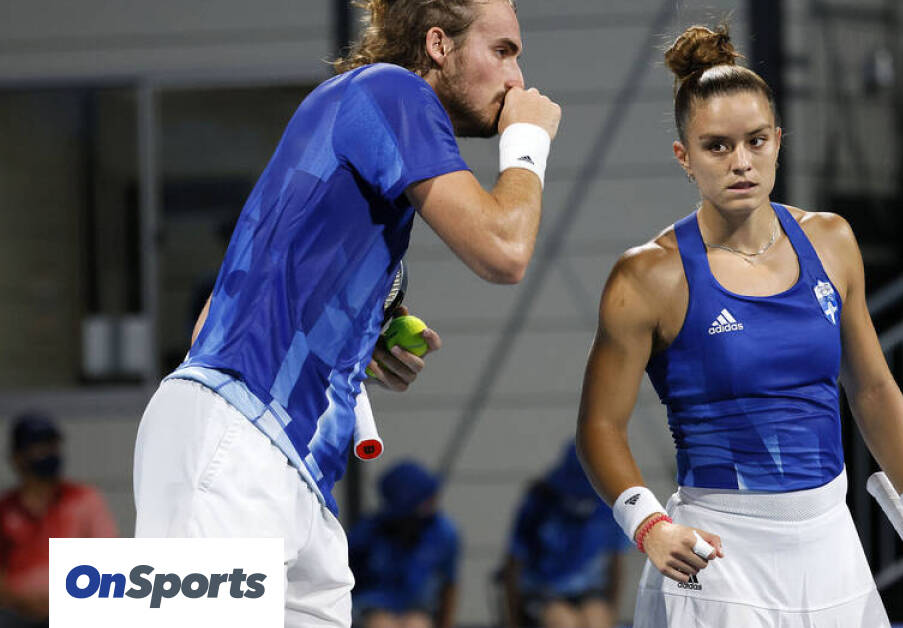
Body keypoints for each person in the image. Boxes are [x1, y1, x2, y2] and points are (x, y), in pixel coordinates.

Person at [132, 0, 562, 626]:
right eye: (502, 51)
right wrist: (528, 139)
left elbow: (224, 309)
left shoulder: (356, 114)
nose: (517, 79)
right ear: (438, 45)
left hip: (295, 468)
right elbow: (504, 250)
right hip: (236, 441)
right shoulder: (392, 90)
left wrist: (355, 342)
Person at [575, 24, 903, 628]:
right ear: (684, 157)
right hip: (718, 556)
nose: (741, 162)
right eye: (717, 146)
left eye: (756, 141)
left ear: (778, 142)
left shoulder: (833, 241)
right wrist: (648, 524)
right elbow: (598, 427)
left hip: (833, 548)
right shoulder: (648, 276)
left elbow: (872, 389)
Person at [0, 412, 118, 627]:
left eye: (52, 445)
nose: (49, 453)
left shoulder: (84, 500)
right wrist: (20, 600)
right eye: (39, 447)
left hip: (76, 609)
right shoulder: (5, 509)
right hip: (15, 614)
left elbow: (108, 560)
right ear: (17, 457)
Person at [499, 443, 627, 628]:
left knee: (597, 621)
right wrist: (513, 620)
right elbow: (514, 563)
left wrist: (612, 612)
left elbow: (616, 562)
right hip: (543, 591)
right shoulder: (539, 503)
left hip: (589, 592)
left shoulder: (607, 507)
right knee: (563, 622)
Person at [347, 461, 459, 628]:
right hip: (371, 608)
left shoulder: (443, 533)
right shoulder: (367, 532)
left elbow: (449, 585)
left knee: (417, 624)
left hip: (418, 609)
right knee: (380, 624)